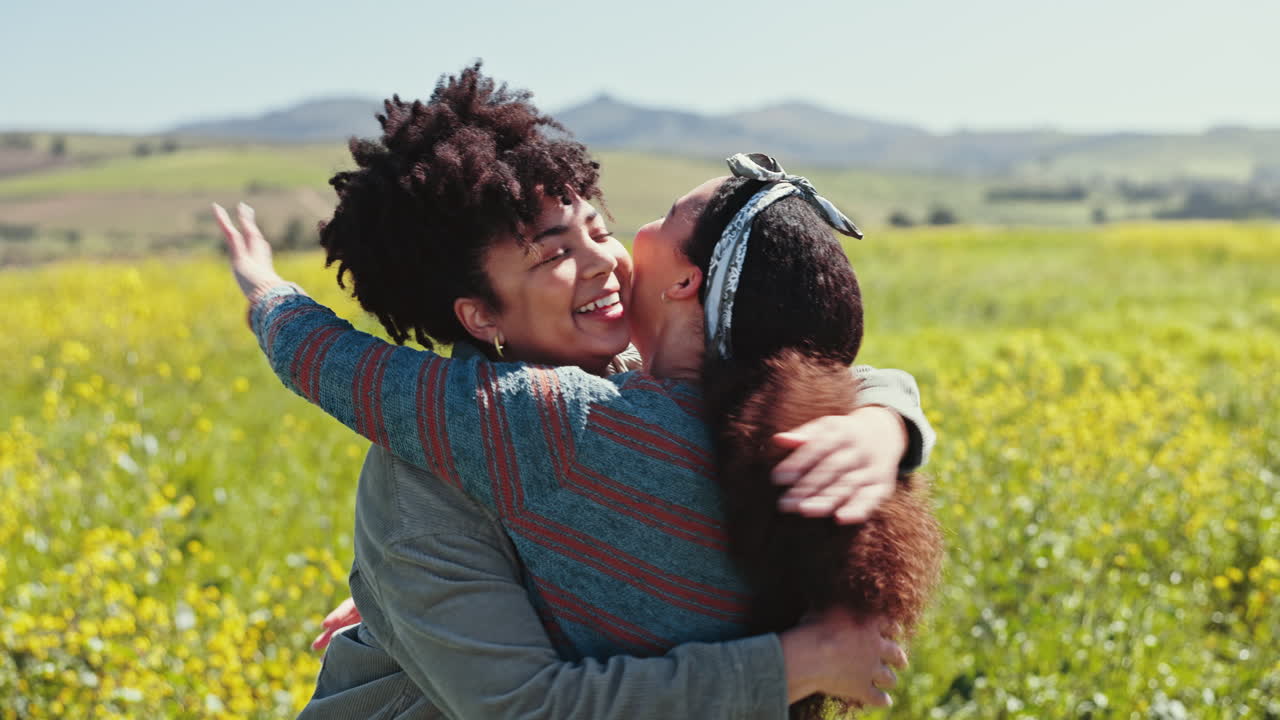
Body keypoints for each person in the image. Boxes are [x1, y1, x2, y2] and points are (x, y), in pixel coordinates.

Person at [217, 64, 933, 718]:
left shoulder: (655, 395)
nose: (601, 262)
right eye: (555, 253)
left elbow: (811, 366)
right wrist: (399, 588)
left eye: (601, 227)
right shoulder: (439, 462)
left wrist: (882, 422)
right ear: (480, 314)